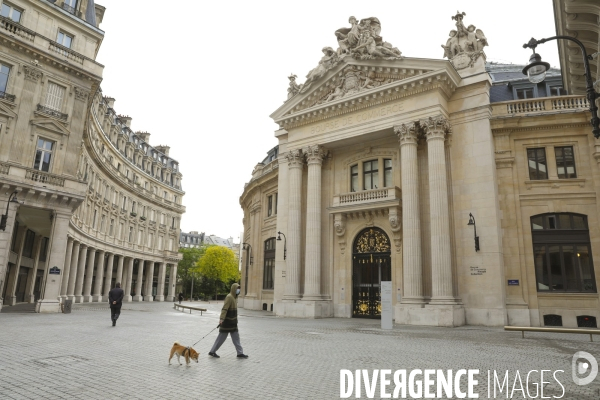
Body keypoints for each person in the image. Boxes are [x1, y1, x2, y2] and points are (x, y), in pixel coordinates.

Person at [208, 283, 248, 359]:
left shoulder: (235, 297)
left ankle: (240, 353)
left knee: (236, 338)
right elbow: (225, 308)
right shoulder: (229, 297)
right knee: (221, 338)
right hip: (227, 322)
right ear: (233, 289)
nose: (238, 290)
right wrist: (221, 319)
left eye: (239, 288)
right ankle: (212, 351)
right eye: (237, 288)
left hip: (233, 323)